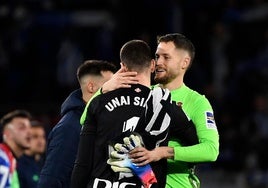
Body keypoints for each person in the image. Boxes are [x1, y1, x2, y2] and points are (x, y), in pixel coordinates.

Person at [71, 39, 198, 188]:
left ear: (123, 67)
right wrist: (164, 152)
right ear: (152, 65)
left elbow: (82, 164)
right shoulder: (164, 104)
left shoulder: (99, 102)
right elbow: (195, 147)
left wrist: (102, 90)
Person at [101, 33, 220, 188]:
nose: (158, 62)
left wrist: (162, 152)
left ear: (184, 62)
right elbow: (86, 118)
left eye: (166, 57)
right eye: (157, 56)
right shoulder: (143, 94)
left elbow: (211, 151)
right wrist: (105, 88)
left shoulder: (197, 102)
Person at [37, 60, 117, 188]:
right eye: (111, 86)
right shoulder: (70, 127)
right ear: (91, 87)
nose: (116, 93)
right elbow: (51, 180)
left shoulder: (97, 122)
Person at [0, 109, 32, 188]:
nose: (29, 132)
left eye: (29, 127)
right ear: (7, 133)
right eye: (22, 127)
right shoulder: (2, 159)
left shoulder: (10, 160)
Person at [17, 120, 46, 188]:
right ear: (26, 138)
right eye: (35, 136)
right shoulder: (17, 165)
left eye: (43, 136)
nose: (40, 141)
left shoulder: (46, 163)